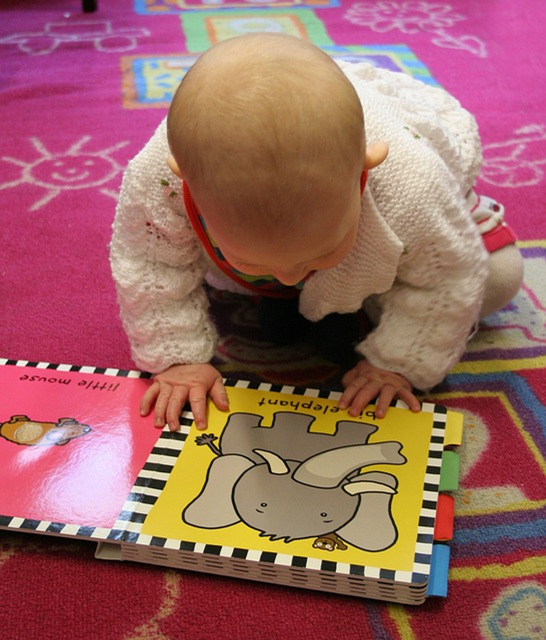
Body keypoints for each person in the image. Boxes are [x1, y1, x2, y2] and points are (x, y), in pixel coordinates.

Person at [110, 33, 523, 432]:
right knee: (212, 262)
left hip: (409, 228)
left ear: (363, 175)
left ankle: (357, 297)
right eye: (255, 258)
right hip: (267, 251)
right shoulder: (158, 181)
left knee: (499, 276)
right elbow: (149, 264)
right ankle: (311, 287)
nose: (288, 275)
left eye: (318, 255)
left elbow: (449, 275)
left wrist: (399, 362)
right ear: (188, 185)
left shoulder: (413, 185)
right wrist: (178, 358)